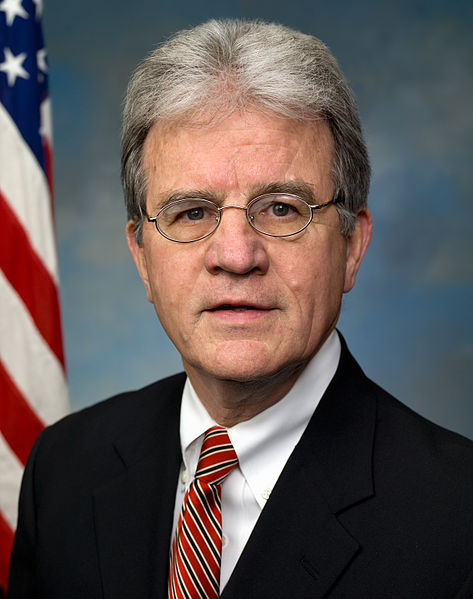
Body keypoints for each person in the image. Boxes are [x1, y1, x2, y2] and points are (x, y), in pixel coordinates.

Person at [8, 19, 473, 599]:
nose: (235, 255)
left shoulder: (458, 520)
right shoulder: (64, 471)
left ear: (352, 246)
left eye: (281, 208)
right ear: (142, 256)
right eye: (192, 212)